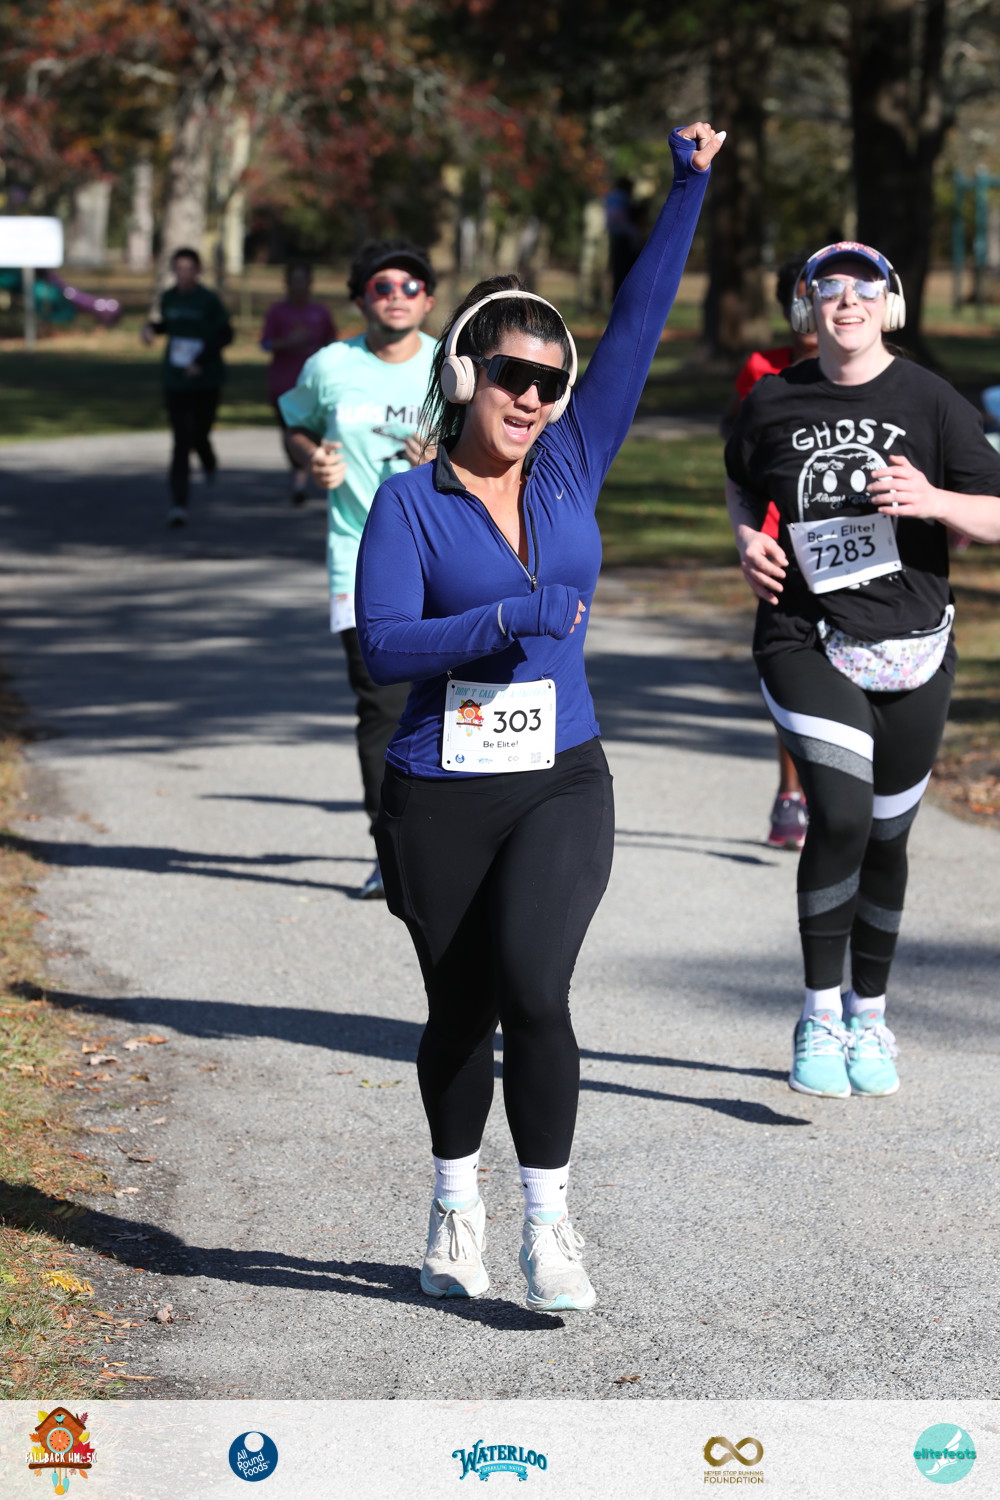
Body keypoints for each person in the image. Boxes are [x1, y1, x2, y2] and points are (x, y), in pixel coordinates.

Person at [356, 123, 723, 1310]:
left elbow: (639, 325)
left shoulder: (571, 463)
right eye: (512, 375)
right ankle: (454, 1202)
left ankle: (549, 1225)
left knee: (535, 987)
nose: (533, 396)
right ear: (465, 375)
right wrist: (502, 620)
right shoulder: (409, 506)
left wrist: (686, 187)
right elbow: (382, 643)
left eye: (549, 383)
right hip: (436, 788)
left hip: (560, 775)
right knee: (460, 1011)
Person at [725, 240, 1000, 1101]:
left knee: (887, 836)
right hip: (803, 636)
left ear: (891, 303)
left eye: (865, 287)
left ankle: (869, 1014)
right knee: (840, 816)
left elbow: (995, 511)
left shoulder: (932, 400)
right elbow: (741, 483)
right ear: (807, 306)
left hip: (915, 644)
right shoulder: (773, 399)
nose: (847, 300)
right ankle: (818, 1013)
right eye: (830, 288)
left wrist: (936, 502)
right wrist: (748, 539)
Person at [279, 239, 437, 899]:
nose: (396, 296)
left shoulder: (451, 368)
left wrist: (442, 464)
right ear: (360, 300)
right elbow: (295, 423)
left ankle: (453, 847)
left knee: (452, 703)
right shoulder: (329, 366)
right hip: (358, 558)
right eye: (382, 287)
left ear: (428, 300)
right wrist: (310, 458)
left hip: (442, 559)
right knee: (382, 709)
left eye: (410, 286)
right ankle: (391, 853)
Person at [724, 253, 819, 851]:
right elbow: (742, 457)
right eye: (799, 298)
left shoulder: (871, 373)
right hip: (781, 538)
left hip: (850, 540)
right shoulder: (763, 371)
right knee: (793, 665)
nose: (812, 310)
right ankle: (791, 792)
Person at [141, 248, 233, 528]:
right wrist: (151, 329)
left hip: (206, 379)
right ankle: (178, 505)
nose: (183, 274)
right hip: (176, 380)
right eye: (178, 269)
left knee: (199, 433)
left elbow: (226, 334)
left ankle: (209, 461)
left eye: (188, 269)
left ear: (198, 271)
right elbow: (167, 325)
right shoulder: (169, 297)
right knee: (181, 440)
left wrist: (201, 362)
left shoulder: (208, 300)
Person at [260, 263, 337, 504]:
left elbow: (333, 342)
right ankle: (299, 473)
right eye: (294, 281)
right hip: (284, 385)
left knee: (313, 432)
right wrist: (288, 342)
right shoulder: (277, 312)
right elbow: (265, 344)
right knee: (290, 432)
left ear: (310, 284)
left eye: (303, 281)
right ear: (287, 284)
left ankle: (302, 477)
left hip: (315, 387)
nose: (299, 287)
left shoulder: (320, 312)